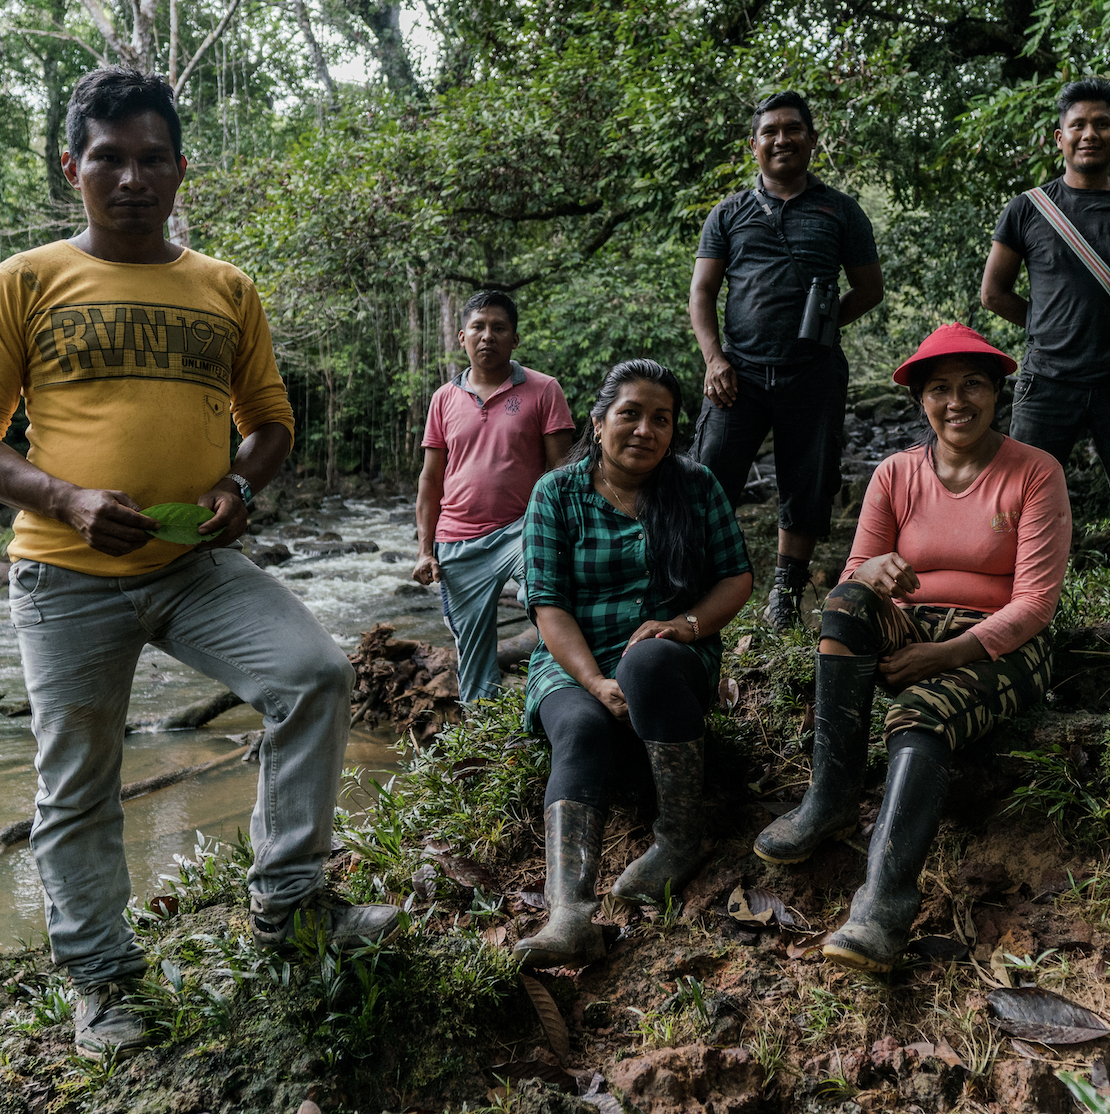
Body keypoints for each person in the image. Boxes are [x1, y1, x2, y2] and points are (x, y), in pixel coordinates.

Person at [0, 67, 397, 1059]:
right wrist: (64, 496)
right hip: (64, 573)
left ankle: (292, 905)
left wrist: (240, 486)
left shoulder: (223, 288)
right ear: (73, 167)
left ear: (181, 169)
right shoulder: (24, 281)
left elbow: (270, 422)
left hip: (193, 565)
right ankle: (103, 981)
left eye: (152, 157)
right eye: (109, 157)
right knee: (78, 783)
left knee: (313, 673)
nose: (131, 176)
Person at [754, 324, 1071, 973]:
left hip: (1001, 642)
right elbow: (851, 576)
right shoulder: (896, 473)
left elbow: (1036, 603)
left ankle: (883, 909)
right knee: (842, 607)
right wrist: (871, 574)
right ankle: (831, 797)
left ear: (996, 393)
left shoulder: (1034, 473)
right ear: (922, 402)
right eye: (941, 390)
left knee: (920, 711)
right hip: (911, 622)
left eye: (973, 386)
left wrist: (944, 657)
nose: (958, 402)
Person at [514, 360, 754, 967]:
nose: (645, 429)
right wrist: (594, 681)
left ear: (675, 431)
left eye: (662, 419)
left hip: (672, 665)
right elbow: (549, 604)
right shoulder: (556, 494)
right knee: (580, 726)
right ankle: (570, 915)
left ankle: (680, 837)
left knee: (647, 662)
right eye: (630, 414)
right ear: (597, 424)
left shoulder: (696, 486)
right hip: (576, 662)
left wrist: (687, 625)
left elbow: (737, 577)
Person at [690, 90, 885, 628]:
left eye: (793, 129)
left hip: (813, 374)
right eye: (770, 131)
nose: (781, 139)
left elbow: (870, 288)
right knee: (706, 480)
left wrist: (823, 327)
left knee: (808, 483)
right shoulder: (728, 213)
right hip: (739, 373)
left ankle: (784, 596)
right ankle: (698, 586)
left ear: (812, 140)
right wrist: (714, 360)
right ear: (753, 145)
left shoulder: (840, 210)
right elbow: (702, 293)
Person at [982, 78, 1110, 572]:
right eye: (1078, 125)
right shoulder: (1027, 208)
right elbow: (993, 293)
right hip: (1047, 381)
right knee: (1016, 501)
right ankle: (1005, 603)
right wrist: (1049, 324)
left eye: (1102, 124)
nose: (1089, 133)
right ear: (1060, 137)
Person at [411, 290, 575, 703]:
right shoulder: (443, 399)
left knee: (547, 597)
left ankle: (555, 695)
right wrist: (424, 551)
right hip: (458, 539)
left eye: (499, 328)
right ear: (462, 336)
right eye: (479, 327)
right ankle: (482, 747)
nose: (488, 336)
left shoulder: (544, 390)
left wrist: (566, 533)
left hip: (524, 527)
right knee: (475, 657)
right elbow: (431, 480)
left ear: (515, 339)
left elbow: (562, 475)